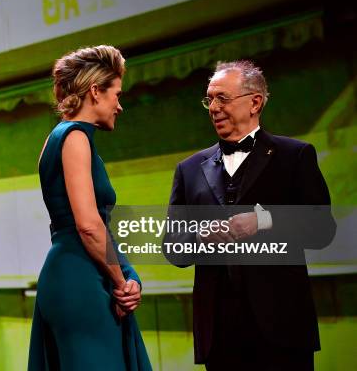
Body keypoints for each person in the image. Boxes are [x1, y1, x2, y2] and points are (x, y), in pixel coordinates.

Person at [166, 60, 336, 370]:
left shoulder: (294, 156)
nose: (213, 107)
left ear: (255, 101)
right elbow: (172, 246)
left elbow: (321, 228)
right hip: (218, 333)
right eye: (209, 99)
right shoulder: (189, 169)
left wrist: (263, 220)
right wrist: (201, 235)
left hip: (282, 327)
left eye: (223, 98)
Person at [28, 46, 152, 370]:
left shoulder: (61, 138)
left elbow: (98, 227)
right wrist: (121, 284)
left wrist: (128, 275)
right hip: (80, 279)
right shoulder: (75, 138)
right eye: (116, 94)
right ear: (95, 91)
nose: (120, 106)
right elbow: (89, 225)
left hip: (75, 273)